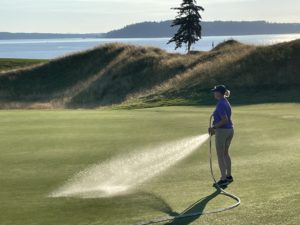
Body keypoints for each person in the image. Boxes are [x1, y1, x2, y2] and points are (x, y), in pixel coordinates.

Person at [208, 85, 234, 187]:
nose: (214, 93)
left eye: (215, 91)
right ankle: (228, 176)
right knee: (225, 153)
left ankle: (223, 179)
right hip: (230, 130)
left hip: (223, 131)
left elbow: (224, 120)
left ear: (219, 93)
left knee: (220, 155)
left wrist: (214, 127)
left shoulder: (220, 104)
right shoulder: (226, 102)